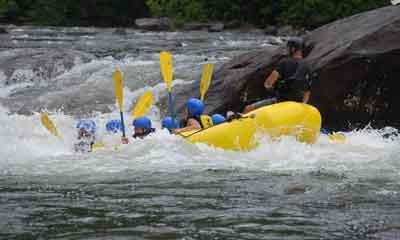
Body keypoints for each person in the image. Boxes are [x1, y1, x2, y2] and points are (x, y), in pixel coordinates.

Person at [243, 37, 313, 113]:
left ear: (293, 49)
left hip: (280, 101)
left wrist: (273, 89)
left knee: (248, 109)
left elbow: (268, 83)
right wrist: (302, 105)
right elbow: (308, 90)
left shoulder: (284, 62)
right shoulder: (307, 66)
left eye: (288, 48)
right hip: (297, 104)